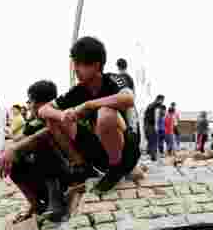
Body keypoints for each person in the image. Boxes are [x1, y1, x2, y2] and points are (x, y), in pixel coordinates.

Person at [36, 36, 140, 193]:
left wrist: (89, 105)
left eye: (80, 64)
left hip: (126, 151)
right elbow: (43, 110)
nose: (76, 69)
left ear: (96, 65)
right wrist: (63, 116)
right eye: (74, 64)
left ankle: (115, 169)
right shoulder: (79, 90)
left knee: (106, 113)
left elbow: (128, 98)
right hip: (99, 151)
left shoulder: (113, 79)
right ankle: (82, 166)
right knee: (53, 118)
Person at [0, 80, 71, 223]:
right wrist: (8, 151)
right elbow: (19, 140)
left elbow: (43, 134)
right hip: (46, 178)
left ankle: (55, 201)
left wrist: (14, 148)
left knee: (42, 145)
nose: (28, 105)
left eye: (30, 101)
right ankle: (36, 205)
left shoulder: (58, 116)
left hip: (67, 177)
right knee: (15, 160)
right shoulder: (33, 123)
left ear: (40, 103)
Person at [142, 94, 164, 161]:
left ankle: (149, 155)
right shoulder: (156, 106)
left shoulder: (150, 105)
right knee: (154, 141)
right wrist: (156, 127)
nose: (162, 102)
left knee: (150, 141)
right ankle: (153, 157)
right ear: (160, 100)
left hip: (146, 126)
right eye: (162, 100)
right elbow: (156, 116)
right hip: (151, 126)